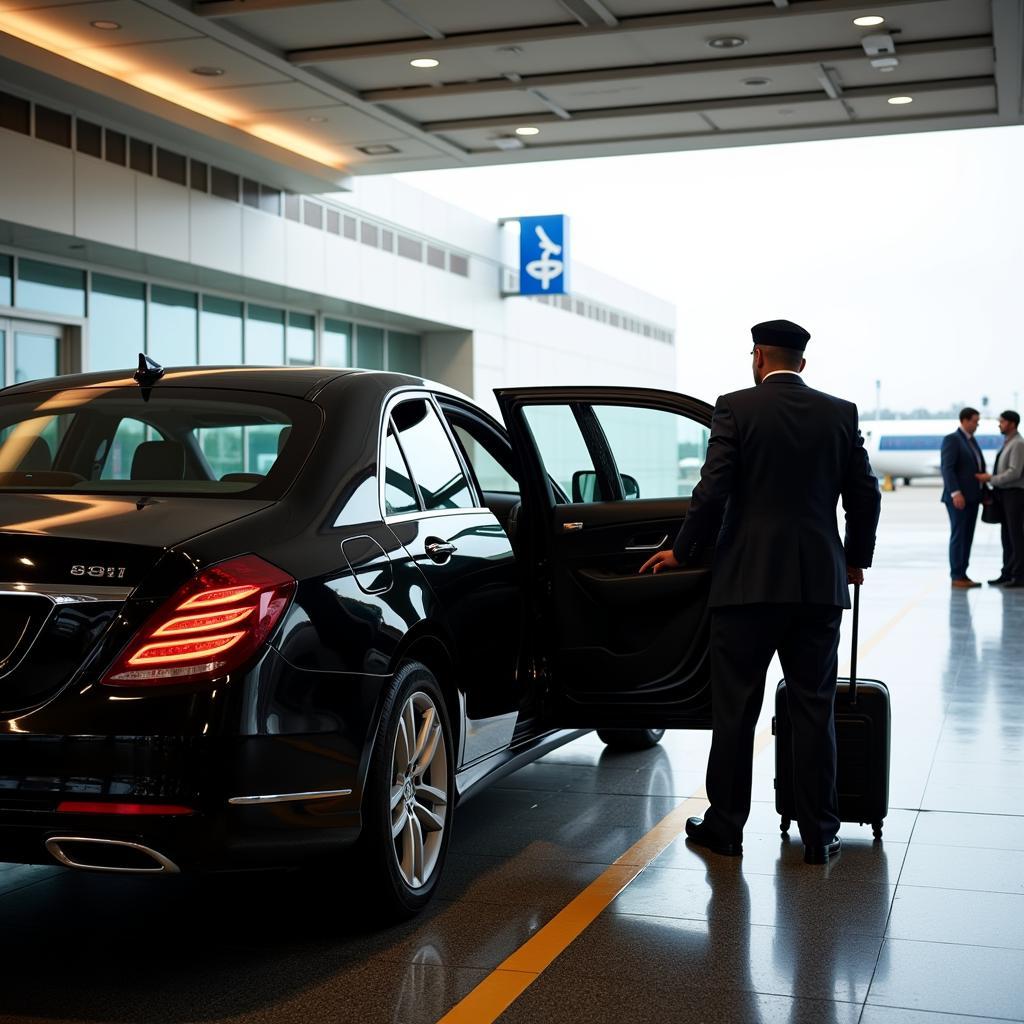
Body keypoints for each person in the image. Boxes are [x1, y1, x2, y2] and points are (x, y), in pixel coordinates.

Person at [640, 319, 880, 865]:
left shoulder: (736, 407)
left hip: (745, 586)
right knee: (814, 711)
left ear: (758, 357)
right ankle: (820, 833)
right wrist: (854, 560)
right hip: (817, 587)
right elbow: (864, 495)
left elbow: (713, 488)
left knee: (736, 713)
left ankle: (726, 827)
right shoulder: (840, 413)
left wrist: (684, 549)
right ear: (801, 361)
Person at [976, 410, 1024, 588]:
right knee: (1007, 536)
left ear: (1012, 423)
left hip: (1014, 494)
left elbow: (1015, 472)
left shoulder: (1018, 444)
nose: (999, 424)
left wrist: (991, 479)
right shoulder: (1008, 442)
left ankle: (1019, 576)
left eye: (1002, 421)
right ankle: (1007, 572)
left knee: (1016, 536)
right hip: (1005, 494)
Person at [940, 407, 987, 588]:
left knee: (967, 536)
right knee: (959, 536)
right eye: (975, 421)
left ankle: (963, 573)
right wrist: (955, 493)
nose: (977, 424)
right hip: (959, 499)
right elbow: (947, 468)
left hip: (972, 498)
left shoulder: (971, 441)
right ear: (965, 420)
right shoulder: (952, 440)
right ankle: (956, 575)